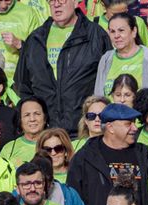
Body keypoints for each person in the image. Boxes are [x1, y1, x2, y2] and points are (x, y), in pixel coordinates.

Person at [16, 0, 111, 132]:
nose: (56, 4)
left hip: (84, 130)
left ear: (76, 2)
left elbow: (109, 82)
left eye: (62, 0)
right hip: (47, 133)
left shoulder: (95, 35)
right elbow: (23, 85)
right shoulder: (35, 39)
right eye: (52, 1)